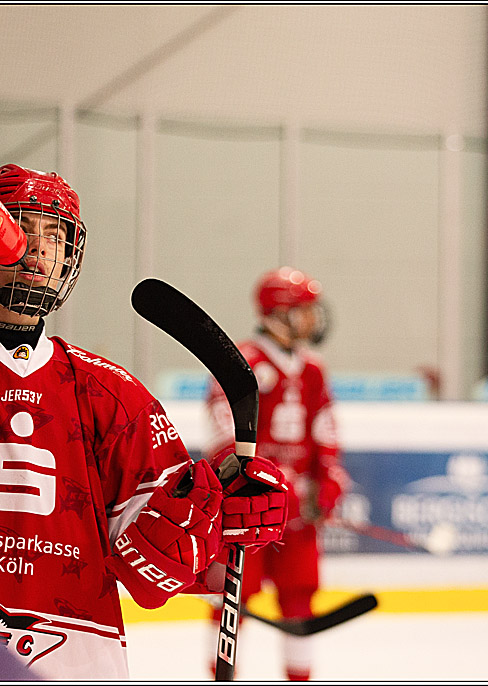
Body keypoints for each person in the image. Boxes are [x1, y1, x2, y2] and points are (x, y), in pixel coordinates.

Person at [0, 164, 290, 679]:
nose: (39, 248)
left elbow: (152, 568)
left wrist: (222, 510)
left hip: (76, 660)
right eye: (21, 227)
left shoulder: (111, 392)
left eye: (55, 235)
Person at [203, 267, 350, 681]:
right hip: (247, 510)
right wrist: (246, 482)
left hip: (297, 514)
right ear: (279, 313)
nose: (312, 319)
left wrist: (329, 479)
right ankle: (222, 675)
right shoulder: (242, 362)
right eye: (304, 310)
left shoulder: (313, 369)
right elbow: (223, 433)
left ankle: (299, 678)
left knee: (299, 596)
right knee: (233, 598)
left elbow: (325, 430)